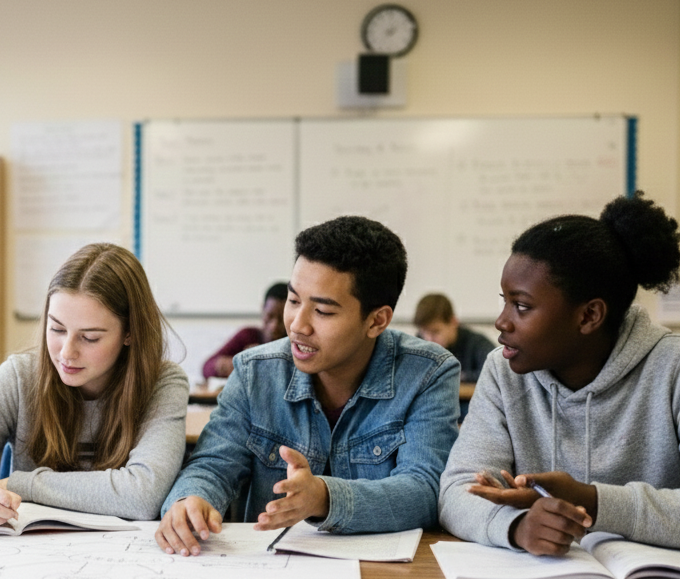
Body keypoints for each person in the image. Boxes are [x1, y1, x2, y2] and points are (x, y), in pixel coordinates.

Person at [439, 193, 680, 557]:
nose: (501, 321)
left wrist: (593, 502)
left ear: (589, 316)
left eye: (522, 306)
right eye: (504, 301)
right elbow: (457, 492)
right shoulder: (503, 369)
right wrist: (516, 527)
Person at [156, 216, 460, 556]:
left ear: (377, 320)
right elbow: (213, 465)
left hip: (382, 576)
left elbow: (425, 490)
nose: (297, 325)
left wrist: (323, 497)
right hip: (270, 571)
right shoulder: (255, 371)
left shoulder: (428, 373)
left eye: (323, 312)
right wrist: (191, 498)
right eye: (294, 300)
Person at [0, 243, 188, 526]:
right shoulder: (21, 377)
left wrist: (24, 484)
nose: (66, 352)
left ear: (130, 333)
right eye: (57, 329)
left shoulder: (163, 384)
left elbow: (143, 495)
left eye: (90, 337)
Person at [201, 282, 288, 380]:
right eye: (270, 316)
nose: (274, 326)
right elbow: (207, 367)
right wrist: (235, 364)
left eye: (282, 319)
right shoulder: (248, 336)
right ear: (263, 309)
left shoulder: (294, 343)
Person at [413, 292, 496, 383]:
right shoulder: (418, 343)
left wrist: (455, 375)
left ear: (453, 322)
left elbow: (495, 373)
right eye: (424, 332)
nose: (429, 339)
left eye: (435, 332)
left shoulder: (477, 344)